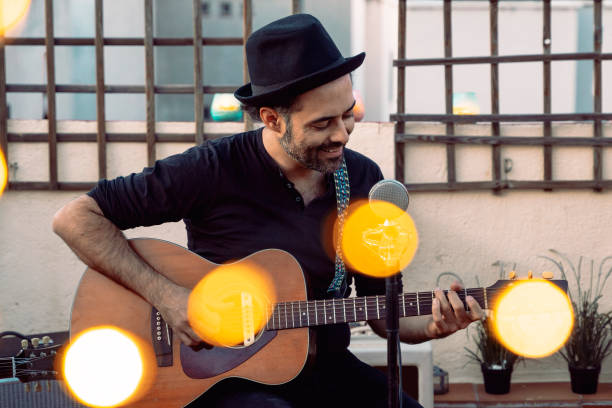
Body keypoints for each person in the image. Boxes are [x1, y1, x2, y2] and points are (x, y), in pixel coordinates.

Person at [53, 14, 483, 408]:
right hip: (221, 377)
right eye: (322, 124)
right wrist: (167, 297)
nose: (342, 135)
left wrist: (431, 327)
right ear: (272, 119)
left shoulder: (363, 180)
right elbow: (76, 218)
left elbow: (381, 313)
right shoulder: (213, 169)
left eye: (347, 115)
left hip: (323, 367)